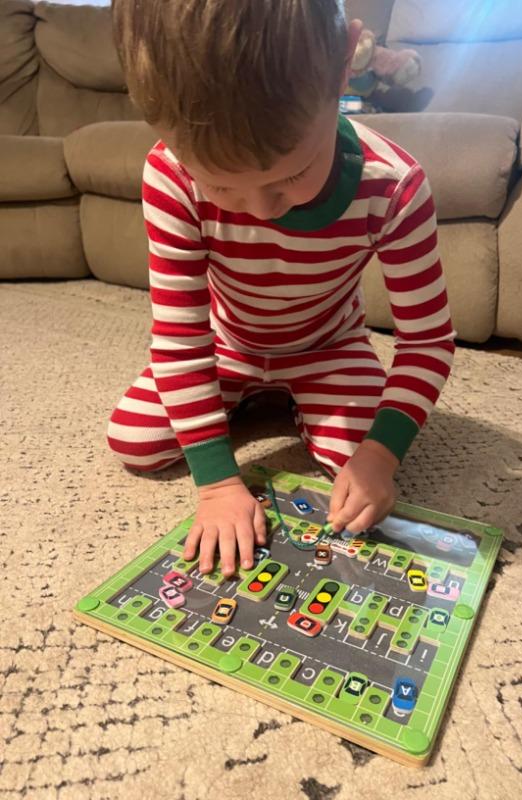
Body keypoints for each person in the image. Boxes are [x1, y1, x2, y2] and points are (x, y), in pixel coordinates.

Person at [108, 0, 456, 579]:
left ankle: (280, 400)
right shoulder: (169, 174)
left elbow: (428, 343)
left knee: (360, 467)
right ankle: (252, 399)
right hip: (225, 346)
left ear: (345, 62)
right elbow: (179, 341)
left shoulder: (394, 187)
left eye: (292, 174)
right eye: (220, 183)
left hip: (328, 344)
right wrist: (218, 484)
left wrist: (379, 455)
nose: (260, 208)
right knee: (134, 442)